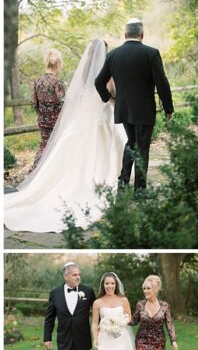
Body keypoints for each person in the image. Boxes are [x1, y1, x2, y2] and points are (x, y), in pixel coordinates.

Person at [5, 40, 125, 234]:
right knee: (114, 143)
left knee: (53, 151)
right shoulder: (105, 73)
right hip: (96, 118)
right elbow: (107, 95)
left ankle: (45, 181)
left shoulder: (80, 75)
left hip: (65, 120)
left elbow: (42, 102)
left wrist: (43, 113)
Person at [94, 19, 174, 191]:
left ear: (125, 34)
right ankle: (139, 188)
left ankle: (123, 178)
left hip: (123, 108)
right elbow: (162, 83)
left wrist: (109, 98)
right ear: (142, 35)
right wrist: (168, 108)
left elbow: (98, 82)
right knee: (142, 146)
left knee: (131, 142)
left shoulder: (113, 55)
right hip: (144, 109)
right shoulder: (151, 53)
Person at [44, 262, 96, 350]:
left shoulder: (88, 292)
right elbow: (49, 318)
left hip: (82, 338)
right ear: (66, 276)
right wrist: (47, 338)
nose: (78, 277)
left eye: (79, 274)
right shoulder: (55, 293)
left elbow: (97, 312)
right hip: (64, 339)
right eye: (74, 275)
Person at [84, 272, 139, 350]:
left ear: (116, 284)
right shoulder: (97, 303)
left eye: (112, 283)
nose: (110, 286)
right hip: (105, 339)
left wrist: (120, 322)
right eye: (107, 283)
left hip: (121, 339)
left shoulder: (123, 300)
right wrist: (95, 339)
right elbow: (95, 323)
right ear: (103, 285)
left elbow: (129, 317)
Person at [132, 275, 178, 350]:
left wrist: (174, 340)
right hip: (142, 342)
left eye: (148, 288)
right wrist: (120, 320)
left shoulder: (164, 306)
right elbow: (134, 321)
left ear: (155, 289)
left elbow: (169, 323)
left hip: (158, 344)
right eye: (144, 288)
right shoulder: (140, 305)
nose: (145, 291)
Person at [30, 48, 66, 170]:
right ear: (57, 64)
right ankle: (53, 172)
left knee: (44, 145)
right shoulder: (58, 82)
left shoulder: (37, 81)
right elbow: (63, 102)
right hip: (56, 121)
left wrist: (41, 113)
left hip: (42, 119)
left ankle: (36, 170)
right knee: (57, 146)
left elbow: (34, 102)